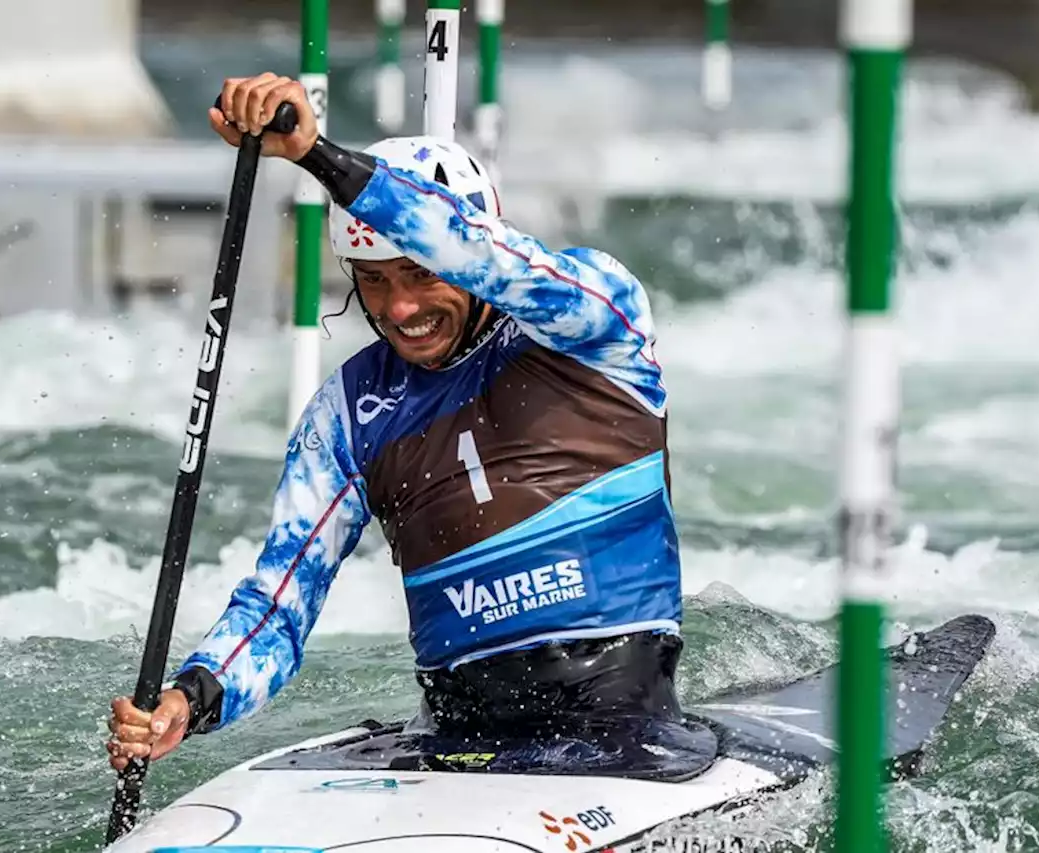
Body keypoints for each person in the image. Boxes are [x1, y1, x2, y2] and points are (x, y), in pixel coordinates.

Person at [106, 73, 683, 773]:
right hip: (455, 735)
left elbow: (482, 252)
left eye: (419, 274)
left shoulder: (593, 322)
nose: (399, 308)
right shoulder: (347, 415)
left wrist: (317, 155)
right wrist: (191, 697)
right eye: (373, 279)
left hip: (620, 724)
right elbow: (281, 600)